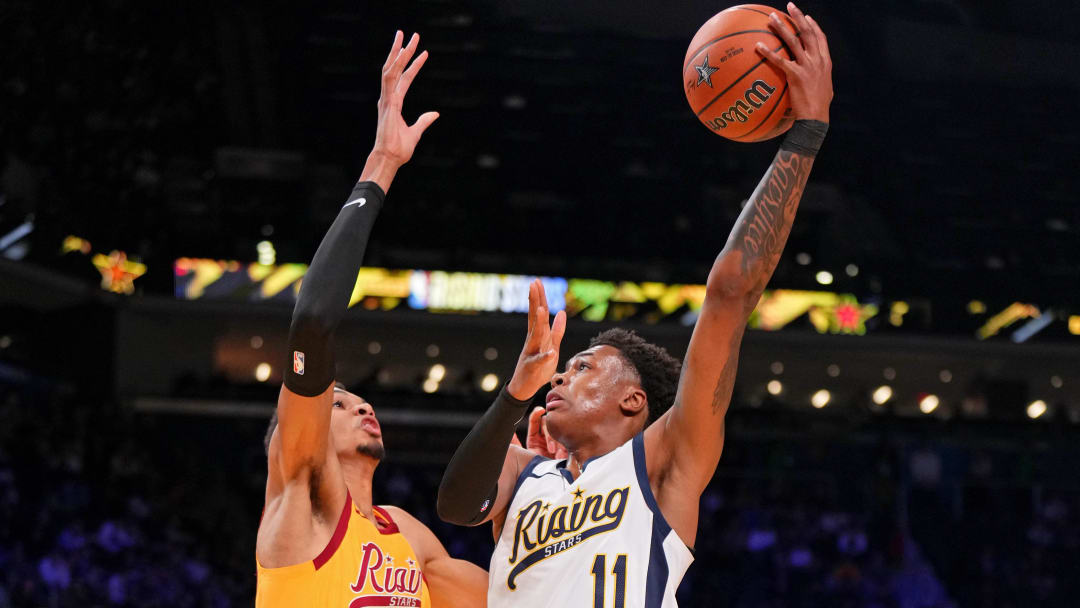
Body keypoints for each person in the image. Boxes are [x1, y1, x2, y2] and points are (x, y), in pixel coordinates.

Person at [436, 4, 833, 606]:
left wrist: (805, 135)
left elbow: (730, 296)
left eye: (584, 366)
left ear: (633, 399)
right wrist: (516, 395)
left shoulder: (665, 459)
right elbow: (457, 505)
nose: (562, 375)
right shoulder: (526, 473)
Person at [256, 31, 487, 608]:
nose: (363, 405)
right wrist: (380, 165)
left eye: (355, 399)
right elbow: (311, 318)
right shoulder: (299, 495)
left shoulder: (408, 536)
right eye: (339, 402)